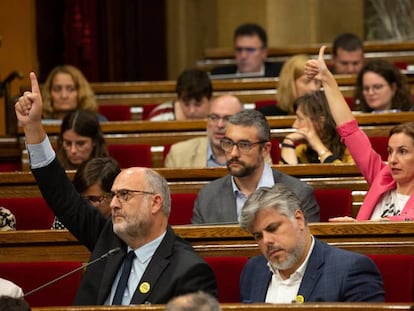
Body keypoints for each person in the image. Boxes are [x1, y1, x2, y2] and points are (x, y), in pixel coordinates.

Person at [15, 72, 218, 305]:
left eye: (124, 195)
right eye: (113, 196)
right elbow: (60, 194)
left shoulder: (189, 271)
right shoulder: (108, 239)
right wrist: (32, 127)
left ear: (155, 202)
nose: (113, 203)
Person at [305, 45, 414, 221]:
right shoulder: (382, 177)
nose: (392, 160)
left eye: (403, 151)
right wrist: (327, 80)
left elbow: (407, 221)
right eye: (390, 151)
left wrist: (359, 225)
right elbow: (350, 131)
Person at [239, 184, 384, 303]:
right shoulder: (253, 270)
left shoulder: (350, 270)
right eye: (258, 236)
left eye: (273, 228)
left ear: (299, 219)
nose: (266, 241)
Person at [192, 109, 319, 224]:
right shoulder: (207, 196)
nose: (234, 153)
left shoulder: (300, 194)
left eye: (244, 145)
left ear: (265, 149)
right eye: (229, 143)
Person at [164, 95, 244, 168]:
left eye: (227, 119)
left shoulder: (252, 155)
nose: (219, 125)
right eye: (214, 118)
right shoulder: (179, 154)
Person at [280, 91, 353, 164]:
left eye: (300, 119)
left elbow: (342, 173)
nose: (294, 125)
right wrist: (288, 142)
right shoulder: (301, 151)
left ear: (321, 122)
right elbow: (285, 174)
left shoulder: (352, 149)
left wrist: (318, 146)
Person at [51, 157, 121, 229]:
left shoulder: (126, 221)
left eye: (93, 198)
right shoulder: (66, 216)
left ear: (113, 196)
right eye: (81, 198)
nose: (85, 205)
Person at [210, 23, 282, 78]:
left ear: (264, 53)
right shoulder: (219, 75)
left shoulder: (280, 74)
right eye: (239, 50)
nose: (243, 56)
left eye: (250, 50)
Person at [41, 65, 107, 121]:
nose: (64, 96)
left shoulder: (96, 121)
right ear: (49, 93)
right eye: (57, 89)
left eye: (70, 89)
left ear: (81, 92)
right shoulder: (37, 123)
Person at [147, 69, 212, 121]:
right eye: (186, 104)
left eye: (198, 104)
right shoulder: (158, 118)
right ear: (179, 100)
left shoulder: (219, 117)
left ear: (209, 101)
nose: (192, 111)